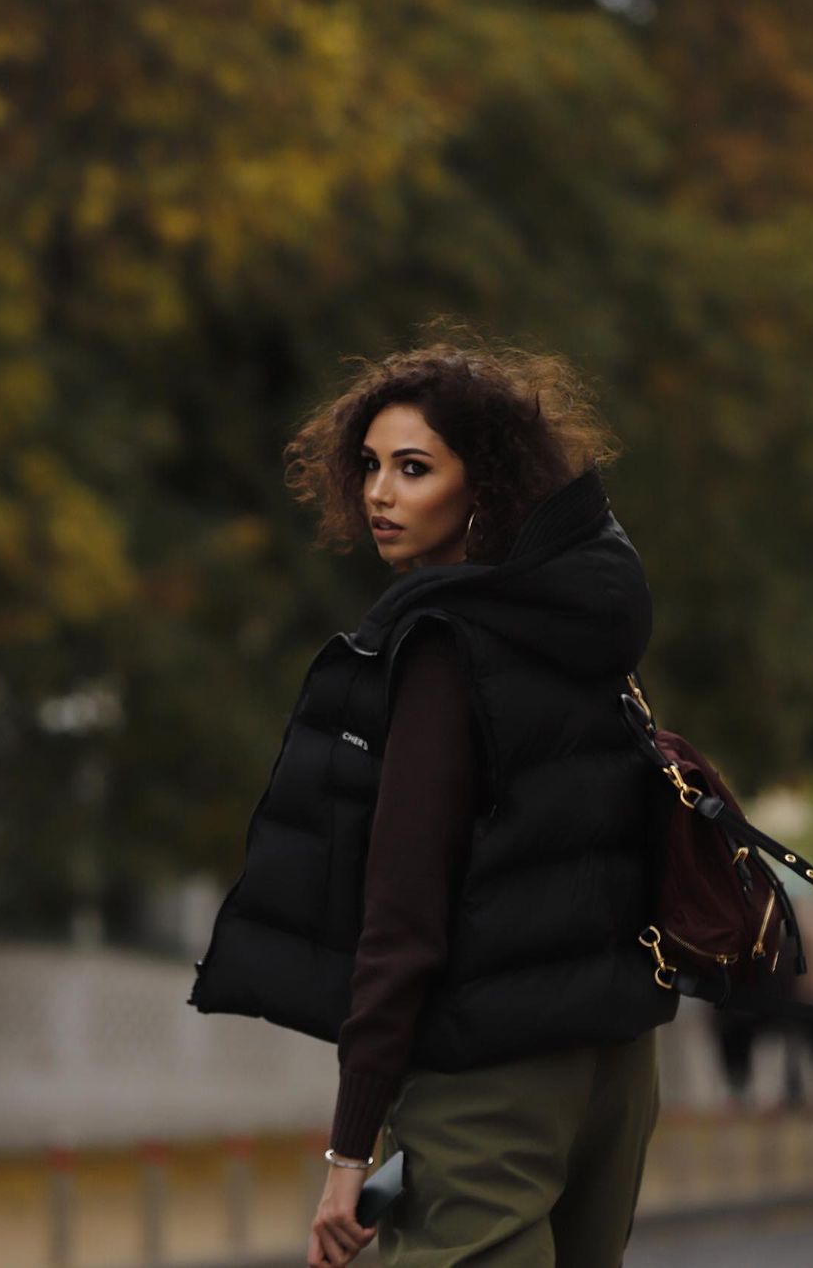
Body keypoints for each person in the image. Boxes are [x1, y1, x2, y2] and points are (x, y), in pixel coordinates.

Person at [186, 337, 679, 1266]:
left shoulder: (445, 653)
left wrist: (350, 1150)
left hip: (487, 1081)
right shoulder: (590, 631)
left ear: (484, 487)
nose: (380, 493)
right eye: (371, 465)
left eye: (414, 468)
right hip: (617, 1065)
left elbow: (402, 917)